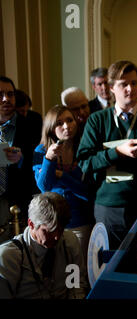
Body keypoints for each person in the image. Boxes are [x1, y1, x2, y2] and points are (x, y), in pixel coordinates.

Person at [77, 60, 137, 249]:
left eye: (134, 83)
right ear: (111, 88)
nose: (130, 89)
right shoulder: (97, 120)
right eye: (123, 84)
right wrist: (118, 152)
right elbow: (85, 162)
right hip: (109, 205)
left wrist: (130, 157)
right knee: (109, 265)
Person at [32, 105, 94, 268]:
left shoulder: (84, 148)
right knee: (56, 270)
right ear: (51, 128)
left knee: (76, 270)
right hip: (52, 223)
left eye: (70, 120)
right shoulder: (40, 150)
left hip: (81, 221)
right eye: (59, 123)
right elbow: (44, 186)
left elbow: (87, 192)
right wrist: (49, 159)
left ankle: (76, 294)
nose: (66, 126)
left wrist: (62, 176)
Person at [0, 192, 88, 298]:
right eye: (49, 231)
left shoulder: (69, 242)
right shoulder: (9, 257)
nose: (57, 237)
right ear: (31, 224)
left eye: (60, 230)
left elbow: (75, 286)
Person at [0, 76, 36, 244]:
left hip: (20, 201)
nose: (6, 98)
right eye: (0, 94)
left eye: (10, 94)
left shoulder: (32, 124)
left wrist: (22, 159)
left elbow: (40, 163)